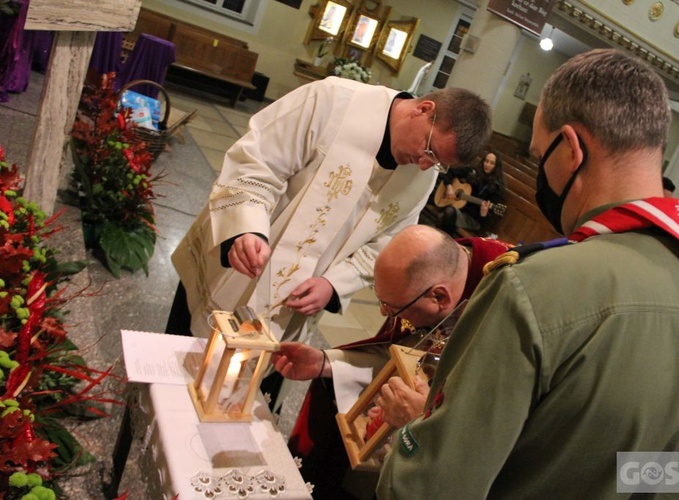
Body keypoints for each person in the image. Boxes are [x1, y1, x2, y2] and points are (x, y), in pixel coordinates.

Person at [378, 49, 679, 499]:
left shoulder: (536, 285)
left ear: (571, 150)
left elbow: (434, 489)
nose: (541, 174)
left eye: (540, 156)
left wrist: (416, 431)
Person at [167, 78, 492, 346]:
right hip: (239, 264)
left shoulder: (423, 177)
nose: (425, 165)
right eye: (429, 150)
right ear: (423, 110)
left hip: (291, 307)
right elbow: (257, 161)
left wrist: (334, 284)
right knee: (174, 365)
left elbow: (388, 244)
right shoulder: (334, 101)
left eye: (437, 162)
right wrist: (247, 227)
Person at [271, 225, 513, 498]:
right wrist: (323, 363)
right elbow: (398, 353)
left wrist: (424, 419)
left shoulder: (506, 308)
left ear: (440, 297)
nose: (384, 313)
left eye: (392, 307)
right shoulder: (437, 264)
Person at [431, 151, 506, 237]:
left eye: (492, 163)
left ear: (496, 167)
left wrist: (483, 214)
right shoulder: (473, 172)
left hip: (472, 219)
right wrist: (449, 186)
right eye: (486, 161)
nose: (487, 165)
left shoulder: (496, 188)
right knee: (434, 201)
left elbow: (488, 222)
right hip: (458, 208)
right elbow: (449, 172)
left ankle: (442, 242)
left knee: (447, 213)